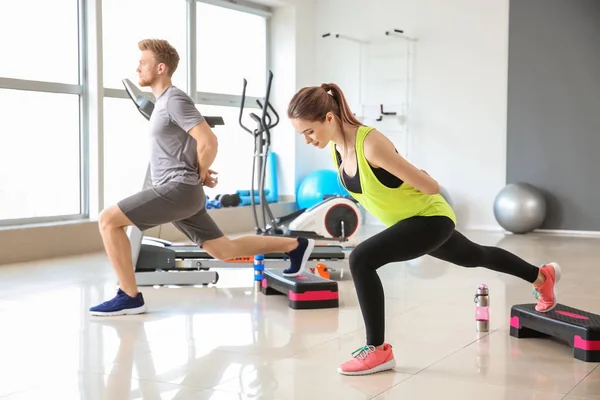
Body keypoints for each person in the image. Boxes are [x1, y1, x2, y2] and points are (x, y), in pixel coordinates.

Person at [286, 83, 562, 376]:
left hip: (430, 219)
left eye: (309, 132)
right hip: (410, 222)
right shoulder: (336, 150)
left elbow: (431, 187)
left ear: (329, 118)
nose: (307, 140)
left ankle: (378, 351)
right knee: (474, 255)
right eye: (302, 134)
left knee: (361, 259)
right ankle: (541, 276)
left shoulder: (370, 144)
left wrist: (416, 175)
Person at [90, 39, 315, 316]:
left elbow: (209, 140)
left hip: (178, 189)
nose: (138, 67)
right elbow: (188, 147)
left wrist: (197, 173)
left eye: (143, 62)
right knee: (224, 249)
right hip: (179, 191)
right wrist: (198, 171)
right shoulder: (162, 103)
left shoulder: (174, 99)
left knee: (108, 220)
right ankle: (295, 245)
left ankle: (129, 296)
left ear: (161, 68)